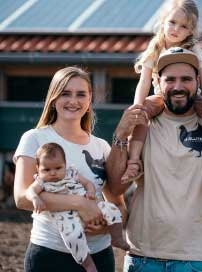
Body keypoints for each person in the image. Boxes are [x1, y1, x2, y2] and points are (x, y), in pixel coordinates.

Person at [107, 48, 202, 271]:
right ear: (157, 82)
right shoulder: (143, 125)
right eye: (170, 79)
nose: (178, 87)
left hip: (200, 258)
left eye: (186, 79)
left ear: (197, 82)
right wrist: (120, 134)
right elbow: (116, 186)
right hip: (143, 256)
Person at [14, 66, 124, 272]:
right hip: (50, 256)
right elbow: (21, 198)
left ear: (90, 99)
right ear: (54, 99)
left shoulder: (101, 146)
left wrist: (105, 226)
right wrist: (80, 203)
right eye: (65, 93)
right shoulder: (34, 138)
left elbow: (118, 203)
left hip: (101, 256)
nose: (73, 101)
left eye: (81, 94)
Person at [123, 0, 202, 192]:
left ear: (190, 31)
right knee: (141, 115)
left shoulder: (194, 50)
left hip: (191, 99)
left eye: (183, 26)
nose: (175, 29)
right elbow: (144, 81)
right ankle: (133, 162)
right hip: (160, 97)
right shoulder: (155, 47)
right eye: (172, 22)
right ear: (163, 21)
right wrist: (138, 105)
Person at [25, 143, 129, 272]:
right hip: (65, 215)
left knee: (112, 209)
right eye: (46, 170)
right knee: (72, 237)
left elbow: (87, 183)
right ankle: (88, 264)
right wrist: (35, 198)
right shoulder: (41, 181)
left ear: (65, 164)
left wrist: (90, 191)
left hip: (89, 203)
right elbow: (29, 191)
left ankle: (117, 237)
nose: (53, 173)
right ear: (38, 168)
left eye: (58, 168)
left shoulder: (72, 173)